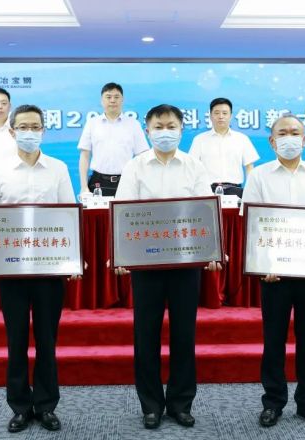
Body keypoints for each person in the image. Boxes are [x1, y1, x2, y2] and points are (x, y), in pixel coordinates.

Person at [114, 104, 222, 429]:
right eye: (158, 126)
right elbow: (123, 212)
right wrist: (121, 255)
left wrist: (211, 250)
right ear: (147, 131)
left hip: (186, 265)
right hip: (146, 265)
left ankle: (180, 403)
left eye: (171, 126)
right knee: (145, 335)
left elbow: (205, 211)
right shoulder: (135, 167)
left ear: (181, 129)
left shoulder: (194, 166)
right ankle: (151, 405)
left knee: (184, 335)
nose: (165, 132)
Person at [0, 104, 77, 433]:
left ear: (43, 130)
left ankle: (46, 406)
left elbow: (70, 213)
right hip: (12, 270)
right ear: (12, 131)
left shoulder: (58, 168)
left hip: (49, 269)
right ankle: (19, 406)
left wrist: (75, 257)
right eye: (23, 127)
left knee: (47, 340)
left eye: (35, 126)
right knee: (16, 339)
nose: (29, 132)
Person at [242, 114, 305, 429]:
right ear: (272, 141)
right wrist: (262, 264)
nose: (289, 138)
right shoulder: (259, 176)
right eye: (282, 133)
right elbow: (252, 224)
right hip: (274, 274)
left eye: (295, 133)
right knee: (274, 339)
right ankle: (273, 402)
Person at [77, 82, 149, 196]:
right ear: (102, 100)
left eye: (116, 97)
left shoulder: (133, 124)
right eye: (108, 97)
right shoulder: (92, 123)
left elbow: (142, 156)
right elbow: (85, 156)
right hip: (98, 182)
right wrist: (83, 187)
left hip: (127, 181)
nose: (112, 100)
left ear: (122, 100)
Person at [188, 97, 259, 197]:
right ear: (210, 116)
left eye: (225, 113)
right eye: (217, 113)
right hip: (207, 191)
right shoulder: (199, 139)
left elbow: (249, 167)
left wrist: (250, 191)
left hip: (235, 191)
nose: (221, 116)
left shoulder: (242, 139)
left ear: (231, 116)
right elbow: (192, 167)